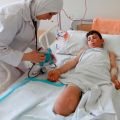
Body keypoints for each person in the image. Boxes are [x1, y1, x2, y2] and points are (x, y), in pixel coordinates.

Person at [47, 30, 120, 116]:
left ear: (102, 41)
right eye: (89, 39)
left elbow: (113, 67)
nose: (91, 40)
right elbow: (72, 62)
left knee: (105, 111)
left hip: (100, 79)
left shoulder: (109, 53)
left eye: (94, 38)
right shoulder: (84, 51)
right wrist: (58, 71)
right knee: (61, 108)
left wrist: (114, 78)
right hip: (81, 76)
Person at [0, 0, 63, 85]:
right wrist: (26, 56)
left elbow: (30, 37)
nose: (50, 18)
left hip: (14, 56)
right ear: (43, 6)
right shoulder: (12, 16)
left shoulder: (35, 14)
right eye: (50, 13)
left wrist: (41, 50)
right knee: (7, 89)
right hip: (3, 61)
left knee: (23, 79)